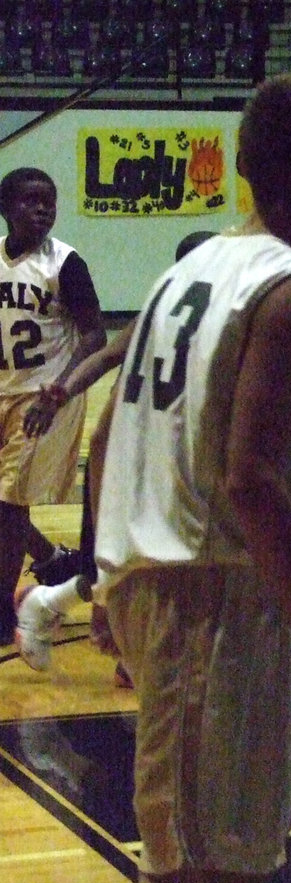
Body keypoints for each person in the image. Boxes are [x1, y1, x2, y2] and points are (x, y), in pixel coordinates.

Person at [93, 73, 291, 883]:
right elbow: (249, 479)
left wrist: (106, 576)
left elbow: (108, 432)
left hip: (174, 586)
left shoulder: (192, 265)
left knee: (266, 800)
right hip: (210, 596)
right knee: (206, 870)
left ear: (243, 163)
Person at [14, 231, 216, 675]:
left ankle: (55, 605)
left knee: (155, 560)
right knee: (140, 559)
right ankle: (68, 611)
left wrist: (62, 391)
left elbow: (105, 358)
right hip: (135, 452)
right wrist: (62, 392)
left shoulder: (184, 315)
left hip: (162, 453)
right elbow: (106, 358)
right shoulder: (165, 318)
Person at [0, 167, 105, 645]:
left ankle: (3, 613)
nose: (43, 209)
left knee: (9, 503)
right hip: (4, 387)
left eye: (49, 200)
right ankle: (50, 560)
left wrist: (60, 390)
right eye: (31, 201)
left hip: (43, 396)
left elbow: (96, 337)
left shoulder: (65, 263)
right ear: (7, 208)